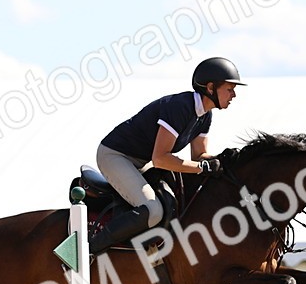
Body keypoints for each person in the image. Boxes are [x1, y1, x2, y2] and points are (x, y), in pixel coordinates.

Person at [88, 57, 246, 255]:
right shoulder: (180, 107)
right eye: (230, 89)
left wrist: (221, 160)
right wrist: (202, 168)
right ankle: (89, 249)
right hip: (115, 155)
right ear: (211, 88)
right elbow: (161, 159)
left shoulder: (205, 114)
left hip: (140, 161)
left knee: (173, 203)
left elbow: (199, 155)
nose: (234, 95)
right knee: (153, 210)